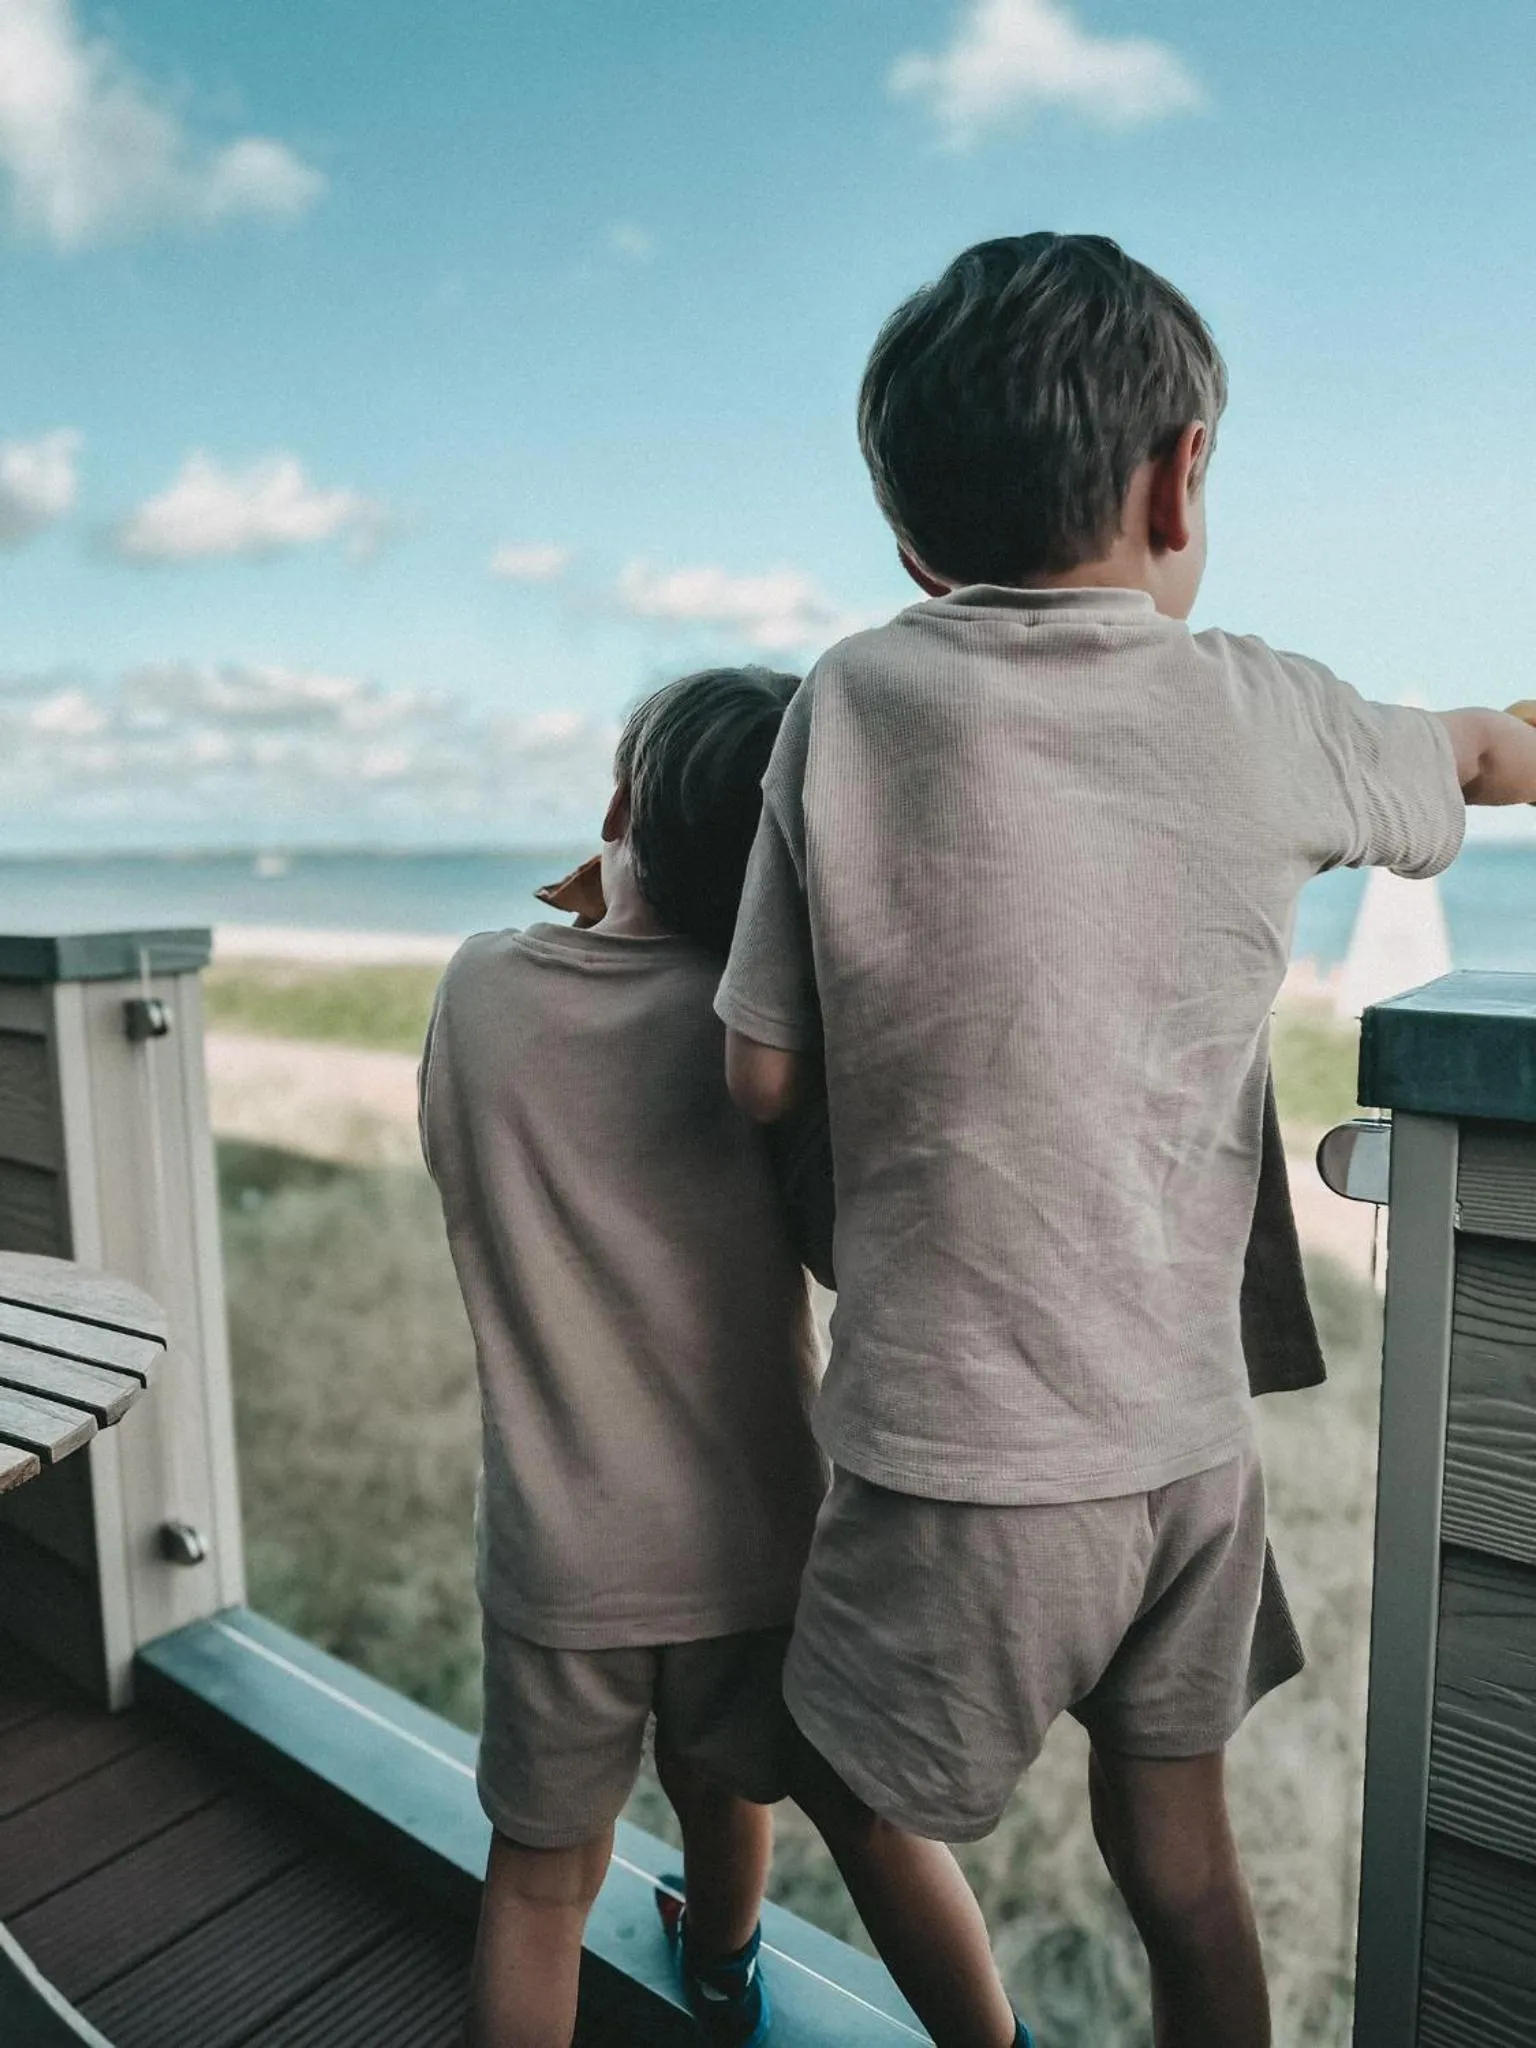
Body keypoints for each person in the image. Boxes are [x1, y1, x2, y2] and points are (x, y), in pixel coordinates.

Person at [716, 232, 1536, 2048]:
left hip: (959, 1459)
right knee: (1183, 1872)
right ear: (1180, 476)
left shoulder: (852, 698)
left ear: (914, 538)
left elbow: (760, 1080)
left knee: (835, 1775)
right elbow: (1479, 756)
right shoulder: (1271, 707)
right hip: (1186, 1447)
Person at [419, 666, 831, 2048]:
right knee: (731, 1788)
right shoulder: (764, 1040)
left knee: (539, 1883)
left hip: (563, 1557)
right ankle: (723, 1972)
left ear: (615, 809)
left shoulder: (483, 993)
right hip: (757, 1531)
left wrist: (602, 888)